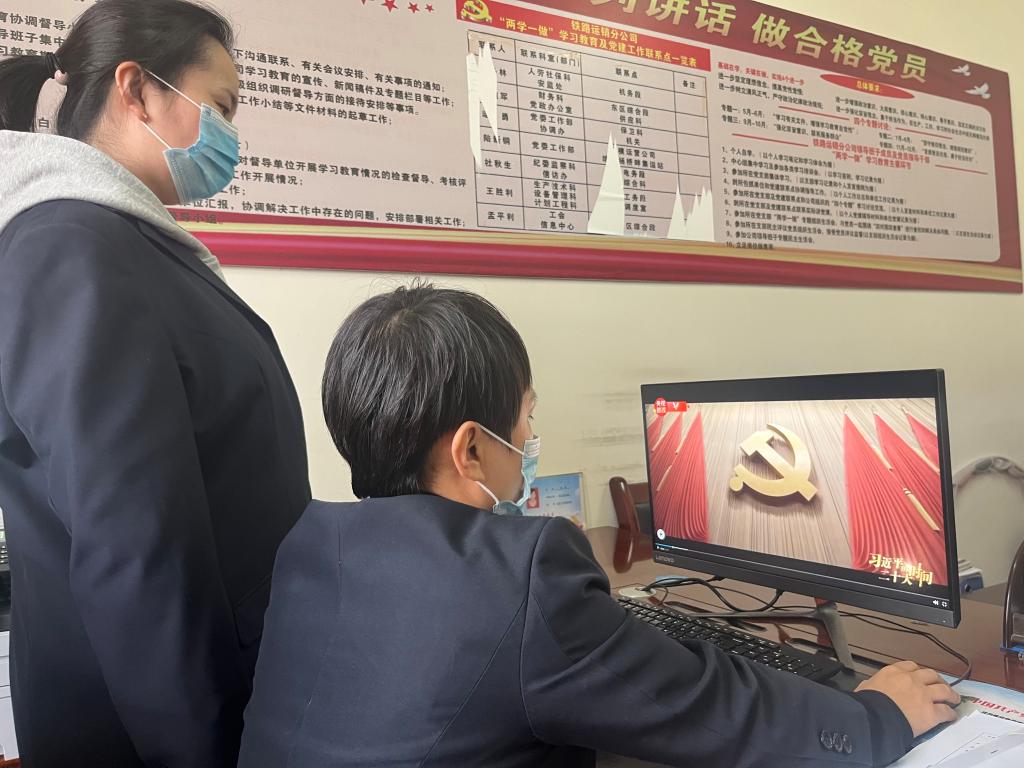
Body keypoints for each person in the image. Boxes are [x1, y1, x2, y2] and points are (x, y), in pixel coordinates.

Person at [239, 283, 959, 767]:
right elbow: (710, 709)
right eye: (526, 415)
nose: (530, 436)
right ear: (469, 450)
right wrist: (878, 718)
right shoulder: (518, 575)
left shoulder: (312, 545)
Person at [0, 1, 310, 765]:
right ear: (136, 89)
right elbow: (133, 547)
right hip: (147, 726)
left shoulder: (121, 241)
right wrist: (205, 749)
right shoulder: (70, 246)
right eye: (221, 107)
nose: (230, 135)